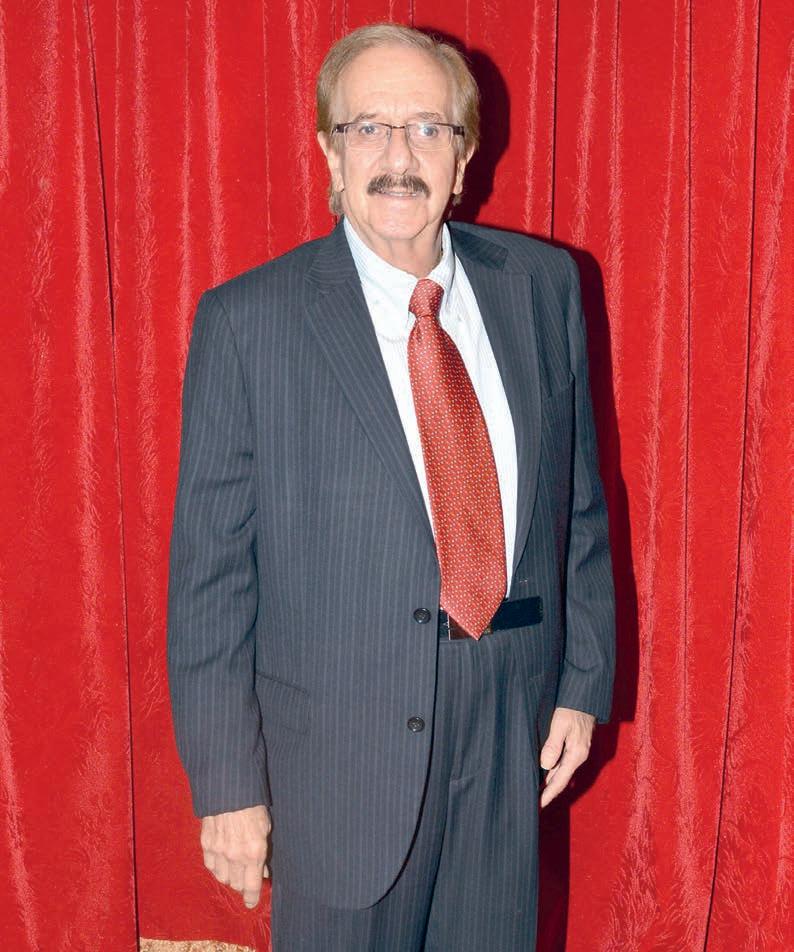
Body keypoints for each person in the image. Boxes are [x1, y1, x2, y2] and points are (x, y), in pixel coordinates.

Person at [167, 22, 615, 952]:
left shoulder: (543, 286)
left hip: (509, 733)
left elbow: (577, 504)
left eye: (426, 128)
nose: (398, 156)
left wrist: (582, 682)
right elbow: (210, 578)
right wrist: (228, 787)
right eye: (368, 128)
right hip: (338, 756)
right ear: (329, 152)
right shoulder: (250, 322)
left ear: (464, 154)